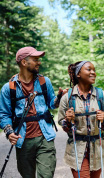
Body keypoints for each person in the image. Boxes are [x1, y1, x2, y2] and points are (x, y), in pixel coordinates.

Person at [0, 46, 66, 178]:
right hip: (23, 140)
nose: (39, 62)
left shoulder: (44, 81)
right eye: (35, 59)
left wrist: (59, 97)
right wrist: (9, 132)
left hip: (45, 137)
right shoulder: (9, 88)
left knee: (46, 175)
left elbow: (51, 104)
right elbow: (4, 115)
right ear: (24, 62)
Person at [58, 61, 104, 178]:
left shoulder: (102, 96)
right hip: (76, 149)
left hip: (97, 149)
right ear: (78, 74)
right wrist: (68, 120)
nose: (93, 72)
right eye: (89, 70)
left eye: (94, 70)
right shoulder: (67, 98)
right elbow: (63, 125)